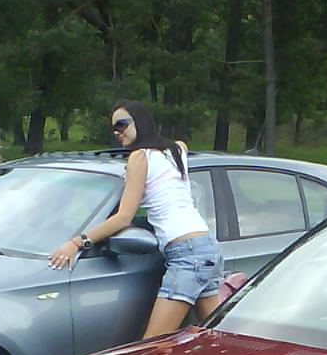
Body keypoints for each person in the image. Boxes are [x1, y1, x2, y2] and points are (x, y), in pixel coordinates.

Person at [48, 100, 225, 339]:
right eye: (113, 128)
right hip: (207, 247)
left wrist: (76, 242)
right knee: (215, 340)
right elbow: (176, 156)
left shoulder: (139, 157)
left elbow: (123, 218)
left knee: (154, 345)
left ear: (140, 121)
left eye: (122, 124)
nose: (117, 132)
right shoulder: (177, 149)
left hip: (186, 253)